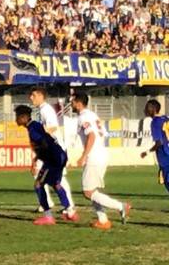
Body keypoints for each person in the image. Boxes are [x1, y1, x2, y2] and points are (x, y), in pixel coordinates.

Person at [72, 93, 131, 230]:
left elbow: (92, 136)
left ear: (79, 103)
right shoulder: (93, 115)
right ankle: (103, 221)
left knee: (88, 192)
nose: (72, 105)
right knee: (92, 191)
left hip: (94, 156)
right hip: (101, 154)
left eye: (73, 102)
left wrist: (83, 156)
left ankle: (121, 206)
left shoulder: (83, 117)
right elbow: (102, 134)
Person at [15, 105, 74, 225]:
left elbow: (43, 143)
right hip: (60, 155)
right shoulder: (35, 125)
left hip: (52, 158)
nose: (16, 120)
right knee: (56, 184)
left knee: (38, 185)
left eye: (18, 117)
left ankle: (48, 216)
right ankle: (70, 211)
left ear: (24, 117)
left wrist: (38, 161)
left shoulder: (32, 130)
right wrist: (37, 159)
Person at [29, 87, 75, 216]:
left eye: (33, 95)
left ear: (40, 96)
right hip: (50, 149)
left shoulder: (46, 110)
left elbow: (53, 127)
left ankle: (67, 206)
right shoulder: (42, 110)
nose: (31, 98)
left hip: (55, 149)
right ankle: (54, 204)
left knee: (55, 179)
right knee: (44, 175)